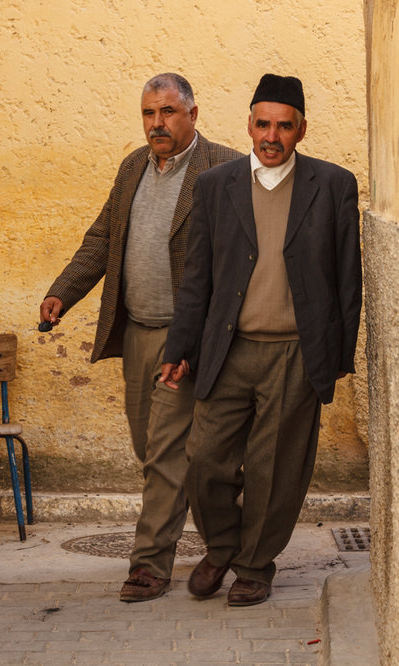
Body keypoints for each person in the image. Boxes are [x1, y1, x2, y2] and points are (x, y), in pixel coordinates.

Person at [160, 73, 362, 606]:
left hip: (296, 353)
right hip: (227, 349)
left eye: (284, 127)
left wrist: (336, 358)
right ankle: (223, 547)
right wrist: (178, 349)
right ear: (249, 124)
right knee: (204, 459)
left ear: (301, 130)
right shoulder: (216, 185)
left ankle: (255, 565)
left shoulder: (334, 185)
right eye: (263, 124)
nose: (272, 137)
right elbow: (196, 277)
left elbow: (348, 278)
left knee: (277, 469)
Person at [40, 73, 242, 602]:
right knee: (152, 449)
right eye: (150, 113)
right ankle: (237, 541)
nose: (158, 123)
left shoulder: (222, 167)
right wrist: (63, 292)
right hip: (138, 333)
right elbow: (102, 237)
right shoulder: (133, 166)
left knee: (166, 456)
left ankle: (150, 565)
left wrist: (208, 335)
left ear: (192, 115)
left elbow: (241, 256)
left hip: (189, 339)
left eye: (169, 112)